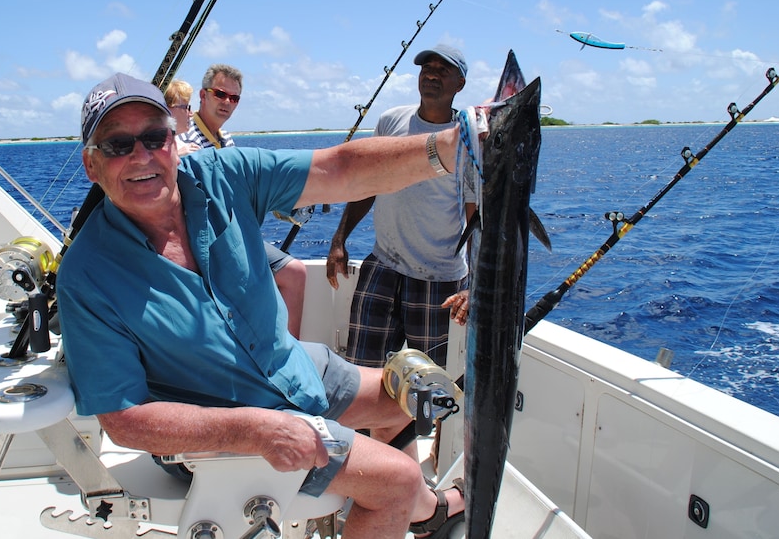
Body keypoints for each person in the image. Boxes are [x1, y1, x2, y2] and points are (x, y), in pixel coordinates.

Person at [58, 72, 465, 539]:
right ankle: (413, 503)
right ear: (91, 165)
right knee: (399, 480)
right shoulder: (86, 275)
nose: (141, 156)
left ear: (173, 139)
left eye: (154, 137)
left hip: (296, 370)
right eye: (117, 145)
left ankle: (420, 513)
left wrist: (451, 148)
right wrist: (251, 431)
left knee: (401, 402)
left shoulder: (223, 175)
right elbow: (124, 420)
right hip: (221, 437)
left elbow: (342, 168)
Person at [325, 44, 476, 448]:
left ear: (460, 83)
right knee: (359, 373)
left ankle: (431, 471)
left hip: (439, 279)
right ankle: (356, 459)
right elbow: (365, 182)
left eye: (444, 70)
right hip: (383, 264)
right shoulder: (391, 121)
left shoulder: (469, 139)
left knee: (435, 387)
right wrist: (340, 239)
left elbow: (478, 217)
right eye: (427, 67)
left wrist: (474, 284)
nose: (432, 74)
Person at [178, 63, 308, 338]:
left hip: (231, 233)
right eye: (220, 94)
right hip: (205, 241)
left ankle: (291, 357)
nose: (227, 102)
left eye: (234, 98)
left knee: (295, 272)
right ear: (203, 95)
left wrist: (287, 207)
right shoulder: (183, 139)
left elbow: (246, 191)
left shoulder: (227, 142)